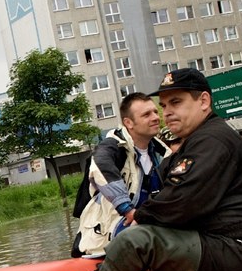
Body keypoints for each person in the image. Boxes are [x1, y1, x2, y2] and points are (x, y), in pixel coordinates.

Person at [93, 68, 242, 271]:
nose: (166, 112)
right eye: (164, 106)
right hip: (216, 242)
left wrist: (140, 216)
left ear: (204, 101)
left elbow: (182, 201)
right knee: (136, 240)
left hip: (238, 251)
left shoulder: (214, 140)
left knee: (135, 241)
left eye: (176, 102)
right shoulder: (194, 142)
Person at [71, 92, 169, 257]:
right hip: (106, 239)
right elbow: (99, 168)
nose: (155, 117)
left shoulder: (163, 152)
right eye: (146, 114)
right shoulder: (111, 147)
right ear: (128, 123)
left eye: (154, 111)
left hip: (148, 231)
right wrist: (127, 209)